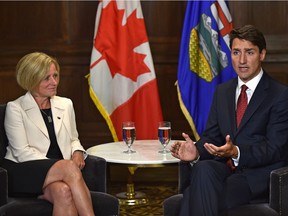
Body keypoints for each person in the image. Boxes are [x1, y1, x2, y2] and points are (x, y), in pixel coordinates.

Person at [170, 25, 288, 215]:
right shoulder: (223, 91)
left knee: (194, 193)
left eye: (249, 52)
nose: (242, 60)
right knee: (202, 167)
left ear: (262, 54)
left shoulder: (280, 94)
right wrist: (196, 152)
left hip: (257, 176)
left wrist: (236, 152)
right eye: (236, 52)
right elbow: (212, 135)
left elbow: (275, 148)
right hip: (226, 170)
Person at [2, 52, 95, 216]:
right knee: (68, 167)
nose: (54, 82)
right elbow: (21, 152)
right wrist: (59, 168)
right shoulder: (15, 108)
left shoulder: (66, 104)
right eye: (47, 78)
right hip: (23, 170)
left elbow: (74, 138)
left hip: (62, 171)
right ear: (31, 79)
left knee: (63, 191)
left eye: (55, 76)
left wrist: (78, 152)